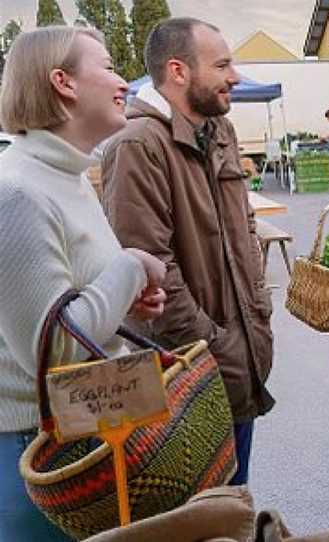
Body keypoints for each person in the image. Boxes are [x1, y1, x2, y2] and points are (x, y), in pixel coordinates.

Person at [0, 26, 166, 540]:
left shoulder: (66, 177)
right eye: (109, 66)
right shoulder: (19, 190)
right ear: (63, 83)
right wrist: (132, 266)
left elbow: (72, 301)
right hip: (40, 458)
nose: (124, 82)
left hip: (82, 439)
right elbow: (54, 352)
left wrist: (121, 298)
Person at [101, 17, 275, 486]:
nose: (234, 77)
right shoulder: (138, 143)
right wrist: (212, 345)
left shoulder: (219, 129)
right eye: (222, 65)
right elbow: (149, 267)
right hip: (189, 370)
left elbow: (243, 228)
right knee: (199, 513)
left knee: (232, 502)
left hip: (238, 357)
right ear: (178, 71)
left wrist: (257, 311)